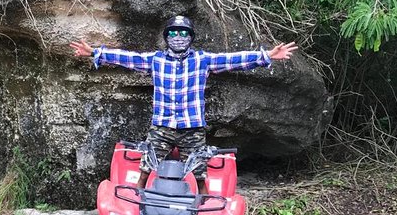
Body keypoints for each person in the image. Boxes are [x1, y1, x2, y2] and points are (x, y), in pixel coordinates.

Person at [70, 15, 297, 194]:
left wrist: (266, 55)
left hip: (192, 126)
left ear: (190, 37)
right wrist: (95, 53)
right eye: (174, 33)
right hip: (163, 125)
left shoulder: (202, 60)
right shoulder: (156, 60)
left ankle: (205, 203)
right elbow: (127, 57)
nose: (178, 37)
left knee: (199, 171)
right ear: (167, 37)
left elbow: (233, 59)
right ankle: (137, 196)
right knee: (146, 165)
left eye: (183, 33)